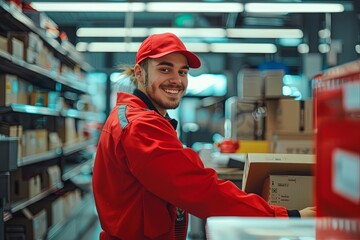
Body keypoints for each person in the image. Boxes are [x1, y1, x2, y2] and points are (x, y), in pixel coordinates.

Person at [92, 32, 315, 240]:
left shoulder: (136, 116)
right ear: (140, 73)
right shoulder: (141, 126)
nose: (176, 80)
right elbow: (199, 189)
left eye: (183, 72)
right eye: (165, 69)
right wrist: (286, 217)